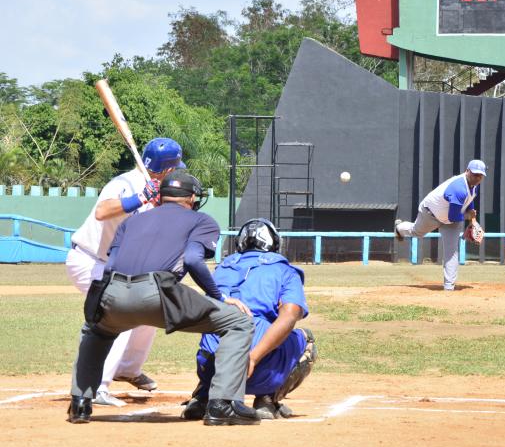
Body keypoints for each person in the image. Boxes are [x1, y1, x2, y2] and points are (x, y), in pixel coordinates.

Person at [67, 170, 260, 426]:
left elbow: (111, 265)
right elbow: (192, 259)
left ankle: (80, 403)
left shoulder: (131, 221)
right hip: (157, 293)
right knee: (238, 322)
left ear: (161, 196)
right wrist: (219, 297)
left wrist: (102, 302)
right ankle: (221, 405)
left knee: (96, 330)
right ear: (192, 197)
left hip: (113, 291)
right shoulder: (201, 220)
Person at [65, 137, 185, 406]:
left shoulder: (159, 192)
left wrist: (155, 204)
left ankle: (127, 369)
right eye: (176, 168)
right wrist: (140, 197)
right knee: (122, 312)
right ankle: (97, 387)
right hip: (89, 260)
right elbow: (102, 211)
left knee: (149, 310)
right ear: (167, 169)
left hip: (114, 265)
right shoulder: (124, 184)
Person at [180, 218, 316, 421]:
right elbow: (289, 315)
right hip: (257, 371)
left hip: (212, 369)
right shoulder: (284, 270)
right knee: (306, 339)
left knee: (216, 332)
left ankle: (204, 394)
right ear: (273, 244)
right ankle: (267, 399)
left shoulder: (222, 268)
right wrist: (252, 358)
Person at [394, 159, 487, 291]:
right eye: (475, 174)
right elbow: (453, 216)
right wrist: (468, 216)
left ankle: (449, 287)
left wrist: (473, 221)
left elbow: (469, 203)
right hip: (430, 213)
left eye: (480, 175)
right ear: (467, 171)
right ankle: (399, 228)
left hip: (450, 221)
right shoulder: (458, 188)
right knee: (417, 232)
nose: (477, 178)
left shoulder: (474, 185)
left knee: (452, 251)